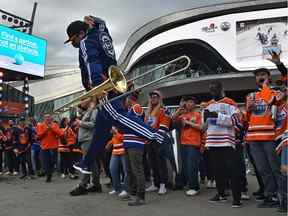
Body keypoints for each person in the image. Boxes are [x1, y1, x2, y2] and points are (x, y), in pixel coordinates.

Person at [65, 16, 168, 174]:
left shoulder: (86, 42)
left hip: (104, 85)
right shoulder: (101, 33)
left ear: (80, 33)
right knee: (100, 130)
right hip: (113, 80)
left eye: (73, 40)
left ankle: (155, 135)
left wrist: (97, 88)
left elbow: (92, 62)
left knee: (118, 116)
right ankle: (86, 163)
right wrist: (96, 21)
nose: (73, 44)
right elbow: (103, 24)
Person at [245, 67, 282, 208]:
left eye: (263, 75)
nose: (260, 77)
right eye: (258, 76)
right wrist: (248, 109)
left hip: (270, 136)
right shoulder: (251, 95)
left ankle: (282, 195)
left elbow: (272, 100)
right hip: (253, 137)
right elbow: (248, 118)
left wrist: (265, 85)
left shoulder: (274, 92)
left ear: (269, 77)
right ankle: (270, 196)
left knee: (275, 168)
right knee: (262, 169)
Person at [203, 81, 243, 208]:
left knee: (233, 170)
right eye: (211, 90)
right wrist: (204, 116)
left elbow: (236, 121)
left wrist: (217, 115)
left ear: (221, 89)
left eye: (215, 89)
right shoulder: (208, 105)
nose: (212, 91)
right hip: (212, 141)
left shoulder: (230, 102)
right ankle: (221, 194)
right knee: (217, 170)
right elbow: (204, 126)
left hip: (227, 141)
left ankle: (237, 198)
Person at [70, 99, 102, 196]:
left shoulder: (94, 110)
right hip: (86, 139)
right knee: (92, 164)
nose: (81, 101)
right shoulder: (89, 110)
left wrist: (80, 123)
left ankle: (83, 185)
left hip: (88, 139)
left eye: (83, 100)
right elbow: (82, 113)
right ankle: (96, 185)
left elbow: (93, 124)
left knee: (86, 163)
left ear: (90, 101)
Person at [174, 96, 203, 196]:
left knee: (192, 166)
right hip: (183, 143)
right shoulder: (182, 115)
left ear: (195, 104)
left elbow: (201, 127)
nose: (189, 104)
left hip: (194, 144)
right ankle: (188, 184)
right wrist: (179, 109)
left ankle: (194, 187)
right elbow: (173, 120)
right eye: (187, 102)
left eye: (191, 102)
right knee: (186, 166)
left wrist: (188, 122)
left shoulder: (198, 114)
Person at [145, 90, 171, 195]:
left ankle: (163, 185)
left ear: (159, 98)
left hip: (159, 140)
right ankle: (155, 183)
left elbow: (164, 127)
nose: (153, 98)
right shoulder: (149, 111)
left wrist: (154, 136)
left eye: (155, 97)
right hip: (150, 140)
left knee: (161, 163)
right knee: (152, 163)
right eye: (151, 97)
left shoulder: (164, 110)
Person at [37, 114, 63, 183]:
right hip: (45, 147)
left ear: (51, 118)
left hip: (54, 147)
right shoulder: (40, 125)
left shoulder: (55, 125)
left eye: (49, 117)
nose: (47, 118)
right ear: (44, 118)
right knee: (46, 162)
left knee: (53, 161)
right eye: (46, 117)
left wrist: (52, 129)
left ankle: (49, 173)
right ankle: (48, 175)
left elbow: (60, 133)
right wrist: (46, 130)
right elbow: (39, 136)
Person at [106, 127, 128, 197]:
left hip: (124, 151)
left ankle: (126, 189)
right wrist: (110, 143)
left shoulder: (122, 124)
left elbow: (125, 138)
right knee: (112, 169)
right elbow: (114, 138)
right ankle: (117, 188)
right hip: (115, 151)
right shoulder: (114, 124)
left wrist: (116, 132)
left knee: (126, 170)